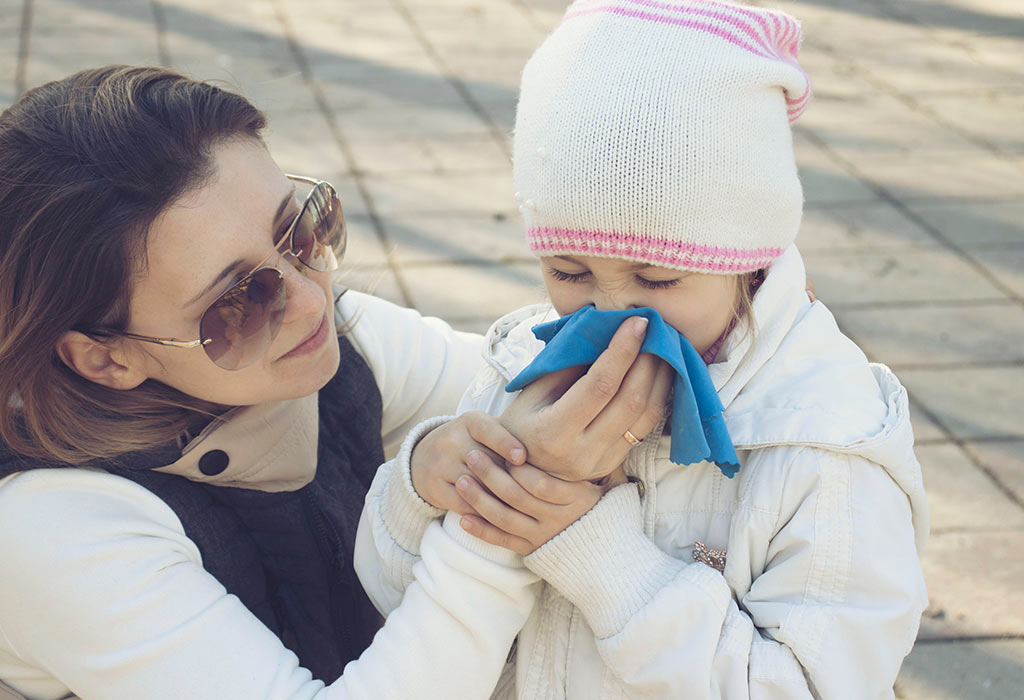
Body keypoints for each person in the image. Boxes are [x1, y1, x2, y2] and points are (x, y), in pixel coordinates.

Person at [0, 65, 669, 700]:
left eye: (301, 230)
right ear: (105, 360)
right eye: (238, 302)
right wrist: (499, 509)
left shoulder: (338, 341)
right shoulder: (52, 525)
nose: (312, 302)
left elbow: (528, 388)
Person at [358, 1, 930, 698]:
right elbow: (397, 605)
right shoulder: (522, 370)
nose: (611, 311)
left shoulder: (822, 448)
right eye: (568, 273)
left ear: (748, 260)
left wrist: (602, 555)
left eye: (657, 277)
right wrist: (419, 488)